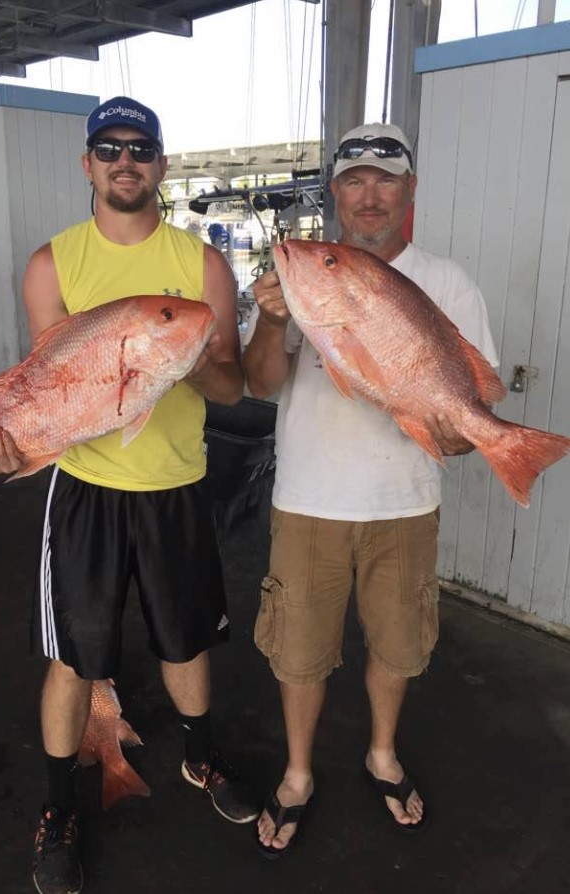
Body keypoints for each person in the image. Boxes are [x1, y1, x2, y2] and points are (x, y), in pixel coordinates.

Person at [0, 95, 257, 894]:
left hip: (177, 487)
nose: (124, 159)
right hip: (87, 490)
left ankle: (201, 757)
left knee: (186, 641)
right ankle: (57, 806)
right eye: (109, 147)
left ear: (161, 164)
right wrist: (7, 442)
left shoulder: (201, 266)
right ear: (89, 163)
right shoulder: (51, 265)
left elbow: (232, 388)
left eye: (140, 147)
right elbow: (47, 388)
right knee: (73, 657)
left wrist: (185, 355)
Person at [242, 122, 499, 858]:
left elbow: (467, 401)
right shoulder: (302, 273)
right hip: (309, 502)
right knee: (299, 650)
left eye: (387, 179)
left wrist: (463, 432)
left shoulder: (449, 282)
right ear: (335, 194)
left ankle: (382, 753)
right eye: (354, 179)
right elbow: (262, 383)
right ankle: (297, 773)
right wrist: (268, 317)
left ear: (410, 190)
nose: (370, 194)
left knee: (396, 643)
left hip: (405, 503)